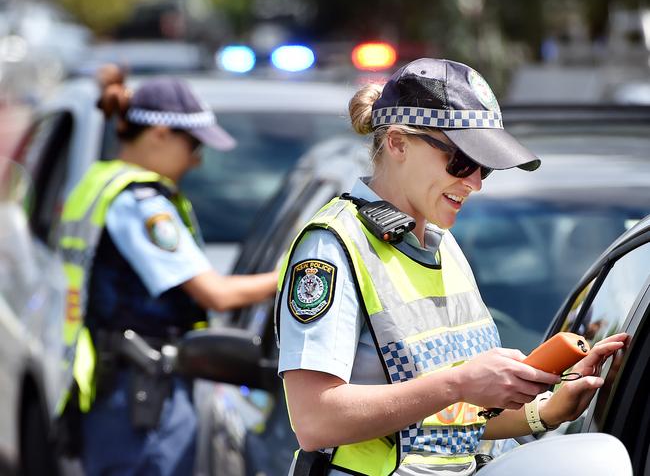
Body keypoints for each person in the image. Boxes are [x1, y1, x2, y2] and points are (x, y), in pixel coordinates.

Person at [275, 58, 628, 476]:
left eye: (486, 167)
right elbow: (315, 420)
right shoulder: (332, 247)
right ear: (398, 143)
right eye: (461, 162)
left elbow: (450, 424)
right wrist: (459, 383)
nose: (475, 182)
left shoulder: (442, 243)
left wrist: (546, 411)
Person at [55, 66, 278, 476]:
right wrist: (294, 275)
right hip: (142, 392)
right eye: (193, 145)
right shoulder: (140, 202)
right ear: (159, 133)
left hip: (111, 381)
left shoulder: (97, 182)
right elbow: (216, 294)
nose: (196, 161)